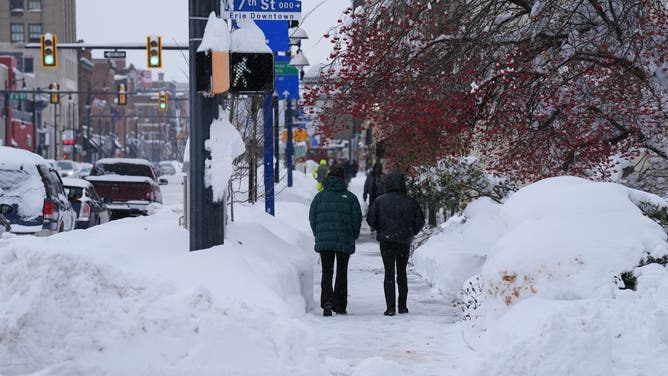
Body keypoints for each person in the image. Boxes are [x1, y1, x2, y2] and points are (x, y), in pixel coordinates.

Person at [366, 171, 425, 316]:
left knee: (389, 272)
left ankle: (390, 307)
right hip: (404, 240)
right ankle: (403, 306)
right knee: (402, 272)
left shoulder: (380, 201)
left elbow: (371, 219)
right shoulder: (411, 202)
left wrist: (380, 228)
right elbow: (420, 221)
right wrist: (411, 232)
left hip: (386, 241)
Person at [309, 165, 363, 316]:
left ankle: (327, 302)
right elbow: (356, 219)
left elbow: (312, 217)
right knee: (341, 271)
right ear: (343, 179)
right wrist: (353, 234)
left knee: (327, 272)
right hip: (344, 239)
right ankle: (339, 304)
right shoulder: (350, 198)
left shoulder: (319, 197)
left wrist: (318, 233)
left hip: (324, 240)